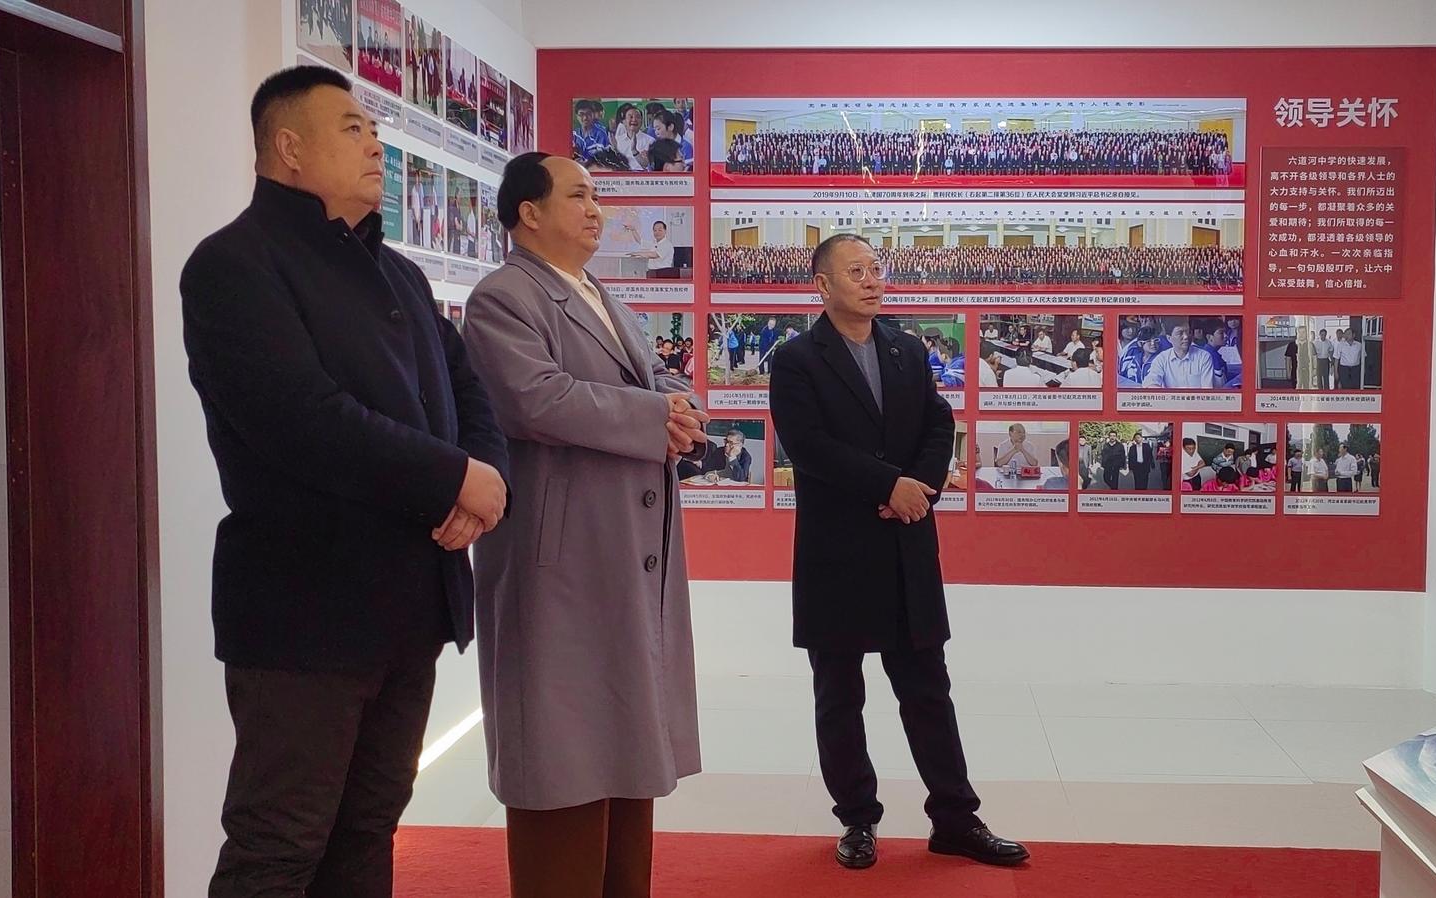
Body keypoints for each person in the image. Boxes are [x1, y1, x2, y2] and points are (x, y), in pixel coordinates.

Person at [181, 66, 512, 898]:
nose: (376, 145)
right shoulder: (233, 265)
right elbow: (304, 420)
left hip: (410, 603)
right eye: (354, 128)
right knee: (279, 845)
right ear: (289, 148)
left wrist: (484, 483)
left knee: (368, 829)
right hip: (305, 609)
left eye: (375, 129)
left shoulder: (398, 273)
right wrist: (453, 480)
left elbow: (467, 391)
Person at [463, 151, 710, 898]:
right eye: (578, 195)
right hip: (562, 560)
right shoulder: (503, 297)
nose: (596, 209)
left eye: (597, 195)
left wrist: (679, 408)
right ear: (528, 213)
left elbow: (657, 378)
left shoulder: (599, 294)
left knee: (627, 751)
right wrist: (655, 415)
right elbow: (536, 399)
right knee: (562, 753)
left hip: (624, 553)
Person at [769, 233, 1029, 871]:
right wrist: (889, 485)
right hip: (837, 551)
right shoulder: (797, 359)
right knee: (839, 696)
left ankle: (955, 819)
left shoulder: (907, 349)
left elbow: (939, 422)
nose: (872, 280)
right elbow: (807, 446)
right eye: (855, 271)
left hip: (905, 542)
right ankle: (857, 819)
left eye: (876, 268)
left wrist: (920, 486)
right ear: (823, 286)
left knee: (928, 689)